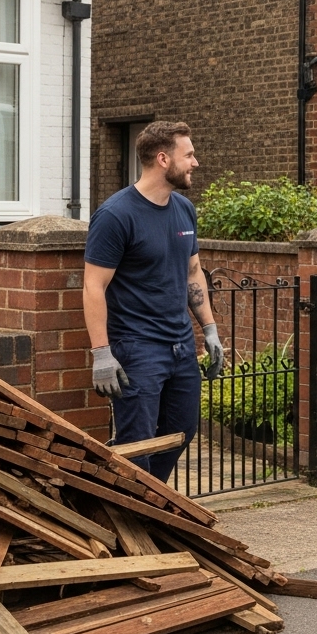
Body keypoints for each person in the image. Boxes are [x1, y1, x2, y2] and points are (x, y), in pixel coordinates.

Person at [83, 121, 224, 481]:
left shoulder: (183, 209)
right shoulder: (116, 215)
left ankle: (150, 500)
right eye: (188, 155)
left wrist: (209, 330)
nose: (196, 162)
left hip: (180, 345)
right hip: (137, 349)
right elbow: (94, 286)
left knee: (182, 430)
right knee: (136, 441)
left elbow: (193, 273)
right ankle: (134, 521)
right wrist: (101, 353)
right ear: (163, 159)